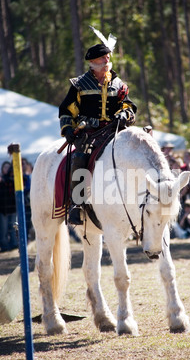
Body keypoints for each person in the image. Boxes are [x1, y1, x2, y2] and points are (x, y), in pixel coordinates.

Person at [59, 39, 137, 225]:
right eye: (103, 59)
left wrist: (124, 114)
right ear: (92, 63)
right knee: (80, 157)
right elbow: (66, 110)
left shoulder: (119, 84)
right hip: (89, 133)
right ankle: (76, 205)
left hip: (114, 130)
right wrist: (68, 128)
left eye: (108, 58)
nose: (107, 61)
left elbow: (129, 106)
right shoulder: (79, 84)